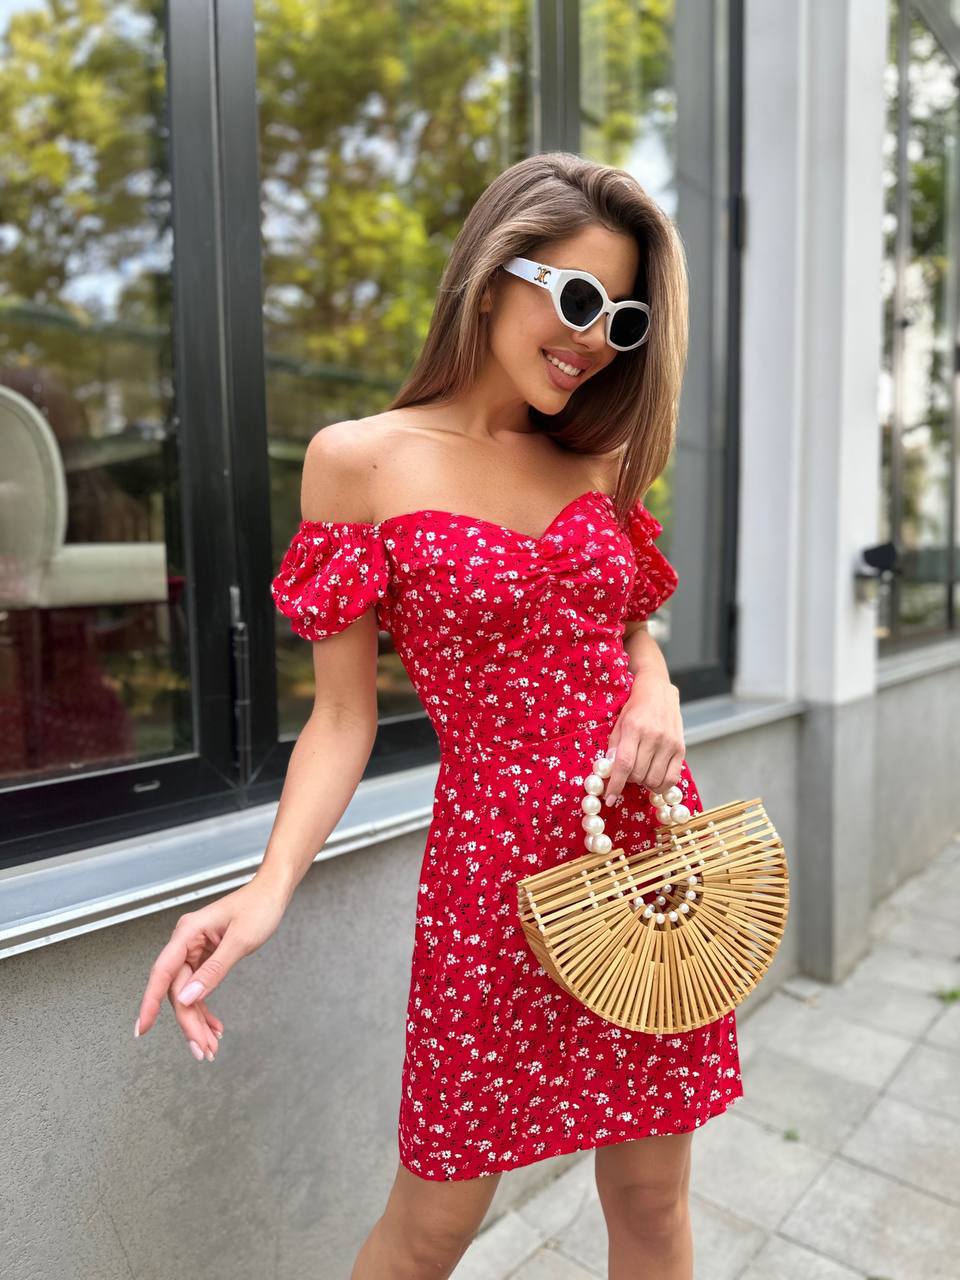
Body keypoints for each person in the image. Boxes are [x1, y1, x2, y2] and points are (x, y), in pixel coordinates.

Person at [134, 151, 743, 1280]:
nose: (594, 338)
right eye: (574, 299)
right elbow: (342, 719)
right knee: (431, 1228)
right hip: (492, 887)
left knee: (653, 1204)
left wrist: (653, 686)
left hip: (649, 857)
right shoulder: (360, 462)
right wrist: (266, 891)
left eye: (622, 317)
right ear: (489, 275)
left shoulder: (601, 457)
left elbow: (625, 624)